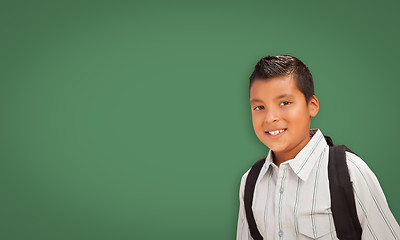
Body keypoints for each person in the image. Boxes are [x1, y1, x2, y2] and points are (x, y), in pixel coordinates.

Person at [236, 55, 400, 239]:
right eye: (259, 107)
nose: (270, 118)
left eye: (285, 103)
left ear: (312, 106)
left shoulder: (350, 172)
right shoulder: (251, 182)